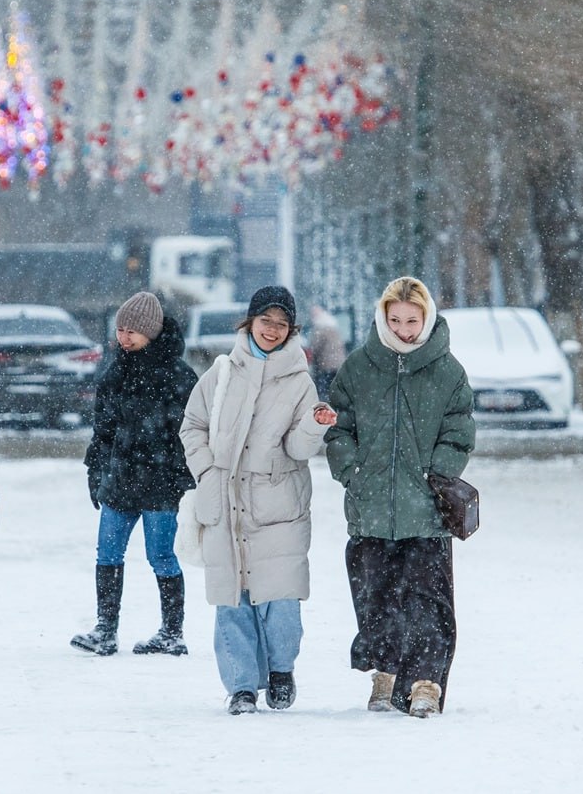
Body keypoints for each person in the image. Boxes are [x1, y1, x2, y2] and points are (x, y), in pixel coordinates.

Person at [178, 286, 337, 714]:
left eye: (281, 324)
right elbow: (192, 425)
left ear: (291, 331)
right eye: (265, 321)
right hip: (225, 502)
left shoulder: (300, 380)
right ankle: (242, 687)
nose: (272, 330)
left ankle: (281, 670)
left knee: (280, 601)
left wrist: (315, 426)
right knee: (233, 602)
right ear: (249, 322)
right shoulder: (222, 373)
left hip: (278, 506)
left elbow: (299, 449)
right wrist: (207, 471)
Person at [324, 276, 475, 718]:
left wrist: (438, 474)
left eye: (413, 320)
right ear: (383, 318)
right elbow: (339, 427)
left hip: (425, 511)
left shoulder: (448, 371)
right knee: (377, 598)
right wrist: (353, 472)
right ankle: (386, 676)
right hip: (371, 510)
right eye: (396, 320)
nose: (405, 329)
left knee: (428, 601)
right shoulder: (358, 367)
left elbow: (459, 429)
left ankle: (426, 683)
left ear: (426, 319)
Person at [72, 292, 197, 657]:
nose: (124, 338)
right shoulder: (116, 371)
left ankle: (172, 633)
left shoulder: (178, 376)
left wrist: (180, 479)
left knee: (161, 556)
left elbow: (189, 435)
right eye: (120, 330)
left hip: (161, 482)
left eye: (132, 332)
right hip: (120, 479)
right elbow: (103, 430)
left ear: (152, 332)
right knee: (107, 553)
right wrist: (96, 471)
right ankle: (105, 630)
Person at [307, 305, 347, 399]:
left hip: (326, 365)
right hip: (338, 364)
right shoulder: (333, 326)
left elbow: (315, 347)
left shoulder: (320, 327)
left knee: (323, 391)